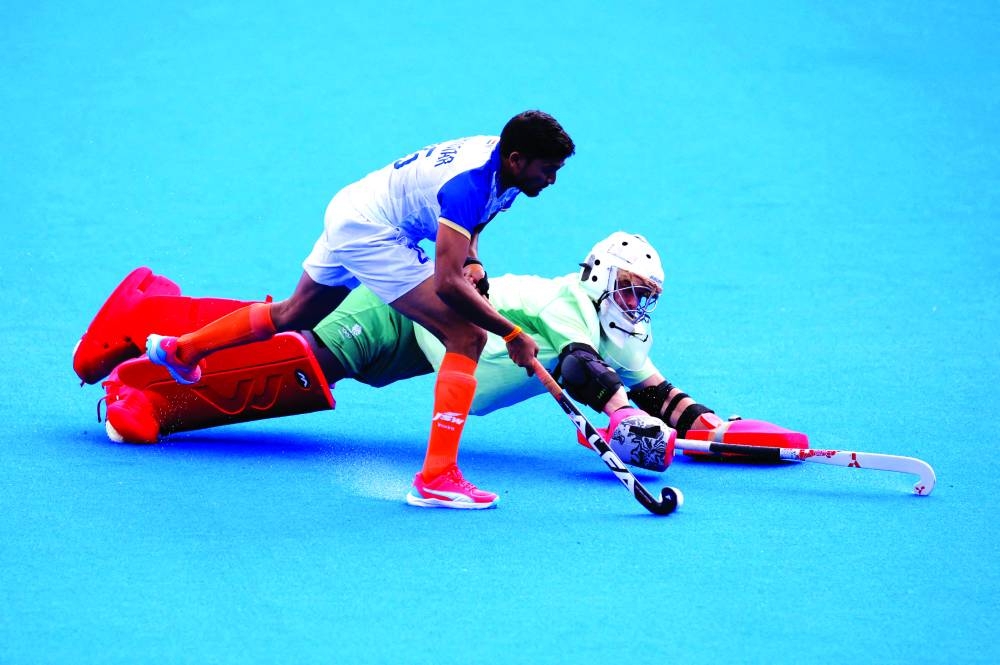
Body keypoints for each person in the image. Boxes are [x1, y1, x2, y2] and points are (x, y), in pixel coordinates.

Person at [78, 232, 809, 497]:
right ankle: (145, 393)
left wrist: (719, 427)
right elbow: (586, 371)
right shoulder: (568, 308)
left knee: (302, 339)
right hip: (407, 312)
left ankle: (153, 308)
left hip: (423, 348)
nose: (634, 305)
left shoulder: (619, 336)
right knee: (295, 365)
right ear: (596, 277)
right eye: (628, 289)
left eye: (645, 296)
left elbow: (655, 387)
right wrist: (619, 417)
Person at [92, 110, 576, 509]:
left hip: (351, 207)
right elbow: (448, 284)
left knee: (295, 313)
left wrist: (471, 257)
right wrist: (511, 334)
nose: (551, 180)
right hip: (372, 229)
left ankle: (182, 351)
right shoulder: (469, 182)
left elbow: (473, 227)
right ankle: (437, 476)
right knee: (466, 336)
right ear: (515, 158)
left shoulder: (506, 169)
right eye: (546, 171)